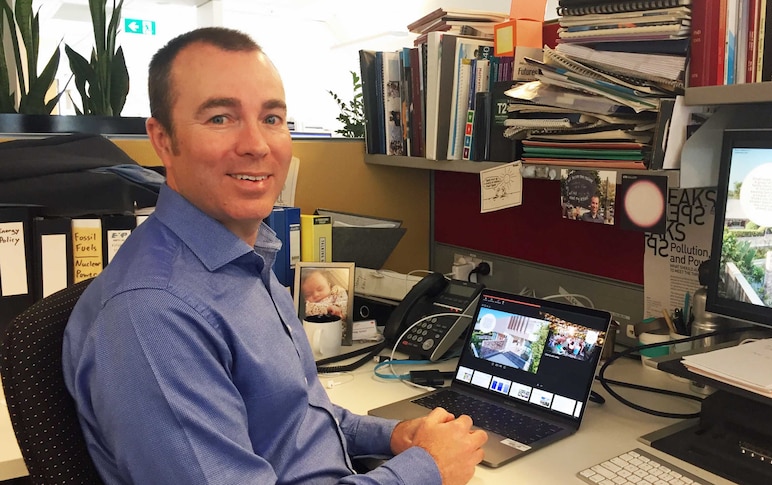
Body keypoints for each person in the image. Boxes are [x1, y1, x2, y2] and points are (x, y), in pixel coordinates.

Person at [62, 27, 487, 485]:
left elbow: (296, 418)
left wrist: (396, 437)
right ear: (163, 139)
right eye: (221, 118)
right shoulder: (152, 314)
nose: (257, 145)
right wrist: (427, 469)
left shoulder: (249, 256)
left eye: (271, 118)